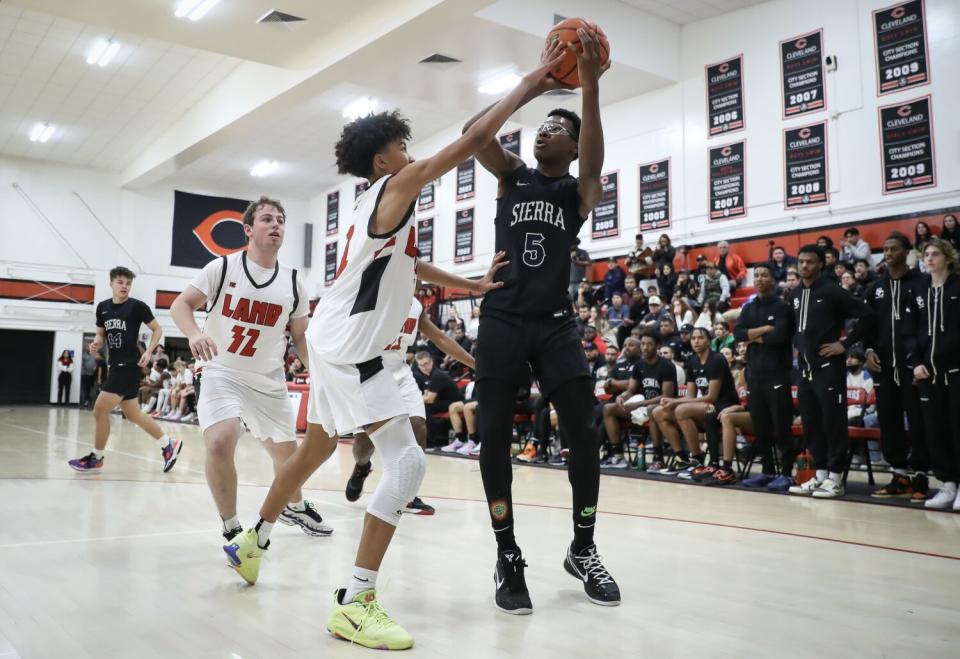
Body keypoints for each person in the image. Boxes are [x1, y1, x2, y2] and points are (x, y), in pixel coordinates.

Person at [223, 51, 568, 651]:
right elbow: (467, 146)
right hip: (353, 349)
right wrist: (535, 82)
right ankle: (354, 601)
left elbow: (410, 262)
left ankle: (254, 538)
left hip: (346, 345)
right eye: (405, 146)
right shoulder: (397, 183)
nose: (412, 154)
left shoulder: (371, 204)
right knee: (407, 465)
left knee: (310, 455)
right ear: (385, 157)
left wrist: (472, 284)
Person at [463, 28, 619, 614]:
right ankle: (507, 555)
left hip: (554, 324)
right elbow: (471, 135)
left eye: (559, 128)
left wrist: (588, 87)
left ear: (574, 147)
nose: (546, 132)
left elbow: (595, 160)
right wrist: (531, 87)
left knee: (584, 429)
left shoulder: (575, 190)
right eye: (542, 127)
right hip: (502, 318)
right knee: (495, 441)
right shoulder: (511, 176)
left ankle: (583, 547)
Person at [170, 197, 334, 554]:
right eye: (266, 219)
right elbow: (180, 305)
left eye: (280, 220)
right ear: (248, 229)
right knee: (219, 440)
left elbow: (301, 337)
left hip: (266, 380)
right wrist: (194, 334)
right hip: (220, 371)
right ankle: (232, 528)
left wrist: (319, 374)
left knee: (288, 460)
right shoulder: (222, 268)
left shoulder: (293, 282)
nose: (276, 225)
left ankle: (296, 507)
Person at [350, 293, 481, 512]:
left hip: (400, 372)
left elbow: (439, 338)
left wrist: (475, 363)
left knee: (418, 426)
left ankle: (409, 493)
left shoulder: (415, 305)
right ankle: (362, 467)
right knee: (365, 442)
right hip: (368, 373)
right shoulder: (370, 294)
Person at [68, 267, 181, 472]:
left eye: (128, 283)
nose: (125, 286)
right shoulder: (102, 308)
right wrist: (96, 343)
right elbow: (101, 335)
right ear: (111, 284)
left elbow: (157, 329)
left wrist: (149, 352)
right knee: (134, 414)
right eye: (120, 282)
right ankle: (168, 444)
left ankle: (97, 457)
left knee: (99, 410)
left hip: (128, 366)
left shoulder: (137, 307)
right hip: (115, 366)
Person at [786, 245, 873, 499]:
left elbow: (867, 315)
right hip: (806, 370)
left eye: (810, 262)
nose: (804, 266)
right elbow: (796, 329)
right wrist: (798, 348)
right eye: (801, 261)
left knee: (833, 424)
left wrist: (844, 344)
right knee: (811, 424)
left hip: (829, 369)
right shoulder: (794, 293)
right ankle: (820, 475)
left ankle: (836, 479)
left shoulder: (832, 291)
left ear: (821, 264)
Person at [861, 232, 929, 500]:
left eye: (894, 249)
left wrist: (921, 361)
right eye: (885, 249)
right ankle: (899, 474)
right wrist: (867, 350)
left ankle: (921, 476)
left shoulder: (922, 283)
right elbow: (866, 324)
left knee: (919, 422)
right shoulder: (875, 288)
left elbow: (927, 324)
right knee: (889, 421)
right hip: (884, 367)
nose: (888, 254)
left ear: (907, 252)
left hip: (914, 367)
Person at [734, 263, 798, 492]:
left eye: (764, 275)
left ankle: (787, 473)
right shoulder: (749, 308)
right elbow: (738, 334)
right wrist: (764, 330)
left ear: (772, 279)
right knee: (760, 427)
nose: (759, 278)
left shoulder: (783, 307)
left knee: (781, 427)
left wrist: (753, 336)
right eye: (757, 275)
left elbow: (780, 337)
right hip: (755, 375)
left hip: (777, 375)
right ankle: (767, 471)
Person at [909, 237, 960, 509]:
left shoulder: (957, 286)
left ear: (947, 258)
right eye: (926, 254)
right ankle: (948, 485)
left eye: (935, 254)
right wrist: (916, 361)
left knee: (957, 428)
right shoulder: (920, 290)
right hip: (928, 375)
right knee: (936, 431)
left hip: (955, 372)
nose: (929, 258)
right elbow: (911, 331)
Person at [651, 327, 739, 479]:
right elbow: (691, 395)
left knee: (681, 410)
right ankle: (682, 458)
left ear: (708, 341)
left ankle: (697, 460)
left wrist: (676, 402)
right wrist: (674, 401)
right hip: (704, 406)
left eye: (700, 338)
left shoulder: (717, 359)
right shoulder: (692, 361)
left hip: (724, 404)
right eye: (693, 338)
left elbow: (711, 396)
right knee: (658, 412)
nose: (696, 341)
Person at [602, 332, 676, 468]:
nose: (645, 347)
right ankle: (617, 456)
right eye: (642, 344)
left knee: (651, 410)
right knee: (609, 408)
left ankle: (658, 457)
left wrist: (638, 404)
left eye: (649, 344)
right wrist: (621, 396)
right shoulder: (639, 365)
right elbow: (630, 390)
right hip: (642, 406)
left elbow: (666, 396)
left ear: (657, 346)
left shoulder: (666, 365)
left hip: (662, 406)